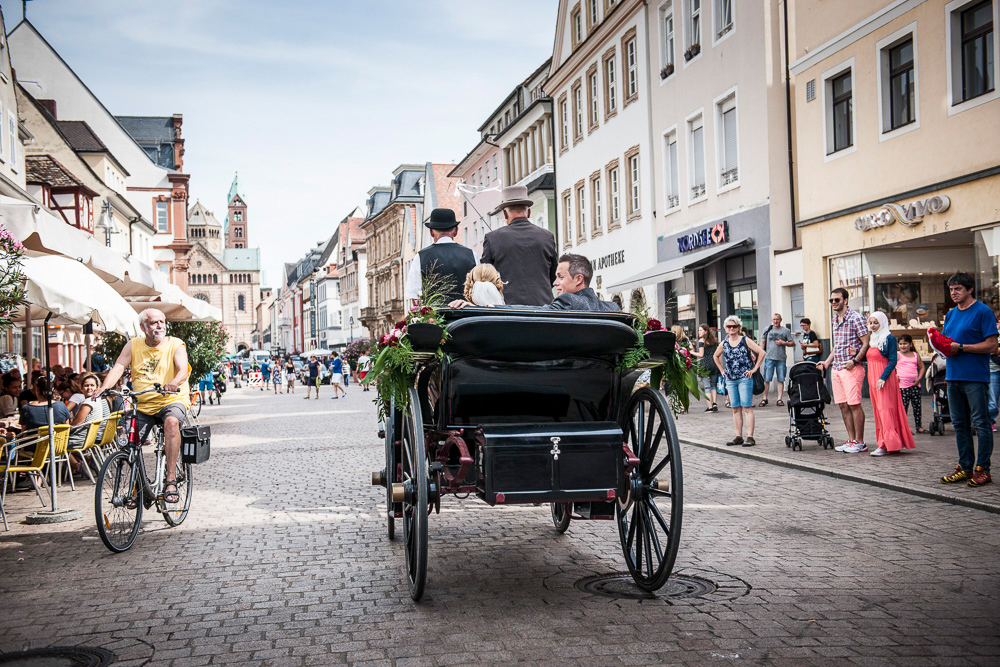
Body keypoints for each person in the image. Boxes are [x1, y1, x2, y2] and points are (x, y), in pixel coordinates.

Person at [96, 308, 190, 504]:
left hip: (170, 399)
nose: (159, 326)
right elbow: (119, 367)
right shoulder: (133, 345)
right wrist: (104, 387)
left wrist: (173, 382)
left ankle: (170, 479)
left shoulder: (175, 344)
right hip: (143, 403)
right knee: (129, 443)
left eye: (161, 322)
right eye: (154, 323)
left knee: (172, 423)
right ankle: (138, 485)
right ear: (142, 327)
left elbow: (183, 369)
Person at [939, 272, 997, 487]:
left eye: (958, 289)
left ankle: (983, 469)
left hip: (975, 377)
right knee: (960, 424)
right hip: (953, 375)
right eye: (951, 289)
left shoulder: (983, 311)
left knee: (981, 423)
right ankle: (965, 467)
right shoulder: (952, 314)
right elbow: (947, 342)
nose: (953, 293)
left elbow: (992, 346)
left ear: (970, 289)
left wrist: (962, 347)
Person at [480, 185, 559, 306]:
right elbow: (554, 273)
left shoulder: (492, 238)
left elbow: (484, 278)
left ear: (505, 214)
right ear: (529, 212)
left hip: (507, 308)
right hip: (543, 307)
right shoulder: (547, 236)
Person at [818, 288, 870, 453]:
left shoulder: (856, 318)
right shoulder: (835, 319)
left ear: (846, 300)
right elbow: (837, 346)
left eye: (837, 300)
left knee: (854, 405)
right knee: (843, 405)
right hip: (837, 368)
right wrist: (827, 362)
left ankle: (860, 442)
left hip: (851, 368)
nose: (834, 303)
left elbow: (866, 343)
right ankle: (851, 440)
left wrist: (854, 361)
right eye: (831, 300)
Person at [865, 312, 916, 456]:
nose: (873, 326)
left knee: (885, 410)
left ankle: (887, 444)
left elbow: (893, 360)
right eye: (871, 323)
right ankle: (883, 443)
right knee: (878, 411)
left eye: (876, 323)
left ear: (882, 322)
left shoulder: (889, 338)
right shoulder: (873, 339)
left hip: (884, 379)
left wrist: (883, 377)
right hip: (873, 379)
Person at [404, 208, 478, 305]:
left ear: (431, 232)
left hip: (434, 318)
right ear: (455, 231)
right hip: (468, 317)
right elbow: (479, 292)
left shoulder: (421, 257)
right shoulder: (471, 254)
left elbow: (415, 298)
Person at [714, 315, 765, 447]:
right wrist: (721, 370)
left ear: (738, 327)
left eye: (734, 326)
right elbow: (715, 356)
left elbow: (761, 352)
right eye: (729, 326)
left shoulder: (745, 340)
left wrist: (754, 369)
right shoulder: (724, 343)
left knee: (747, 407)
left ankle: (750, 437)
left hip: (744, 378)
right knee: (735, 408)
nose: (732, 328)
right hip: (730, 379)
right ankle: (738, 436)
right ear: (726, 328)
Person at [67, 374, 111, 474]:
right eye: (86, 385)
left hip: (82, 439)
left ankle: (78, 466)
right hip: (90, 437)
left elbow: (76, 424)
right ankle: (87, 460)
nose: (89, 388)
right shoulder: (99, 400)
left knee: (54, 444)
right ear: (81, 387)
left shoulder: (88, 403)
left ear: (97, 388)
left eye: (92, 385)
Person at [759, 313, 794, 407]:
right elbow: (762, 341)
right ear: (771, 320)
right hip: (769, 357)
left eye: (777, 319)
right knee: (766, 379)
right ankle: (764, 398)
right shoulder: (767, 329)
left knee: (781, 379)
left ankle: (779, 399)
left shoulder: (785, 331)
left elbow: (792, 343)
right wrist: (760, 354)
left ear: (780, 320)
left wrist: (784, 342)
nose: (775, 321)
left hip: (781, 358)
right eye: (774, 319)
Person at [896, 334, 926, 434]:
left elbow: (922, 367)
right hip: (902, 387)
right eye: (900, 344)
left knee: (917, 407)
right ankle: (904, 428)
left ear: (911, 344)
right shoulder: (897, 355)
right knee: (903, 408)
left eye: (905, 343)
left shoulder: (915, 355)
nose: (902, 346)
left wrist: (919, 379)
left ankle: (919, 426)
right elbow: (890, 366)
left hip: (915, 386)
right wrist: (894, 375)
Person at [691, 324, 719, 412]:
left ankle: (710, 407)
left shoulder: (701, 341)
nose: (699, 332)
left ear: (705, 331)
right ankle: (714, 403)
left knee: (707, 387)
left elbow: (701, 354)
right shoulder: (714, 341)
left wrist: (691, 352)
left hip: (705, 365)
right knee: (713, 385)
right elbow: (717, 354)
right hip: (714, 364)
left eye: (700, 330)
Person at [988, 311, 1000, 431]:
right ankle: (989, 420)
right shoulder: (992, 331)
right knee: (993, 402)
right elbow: (990, 348)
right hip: (993, 370)